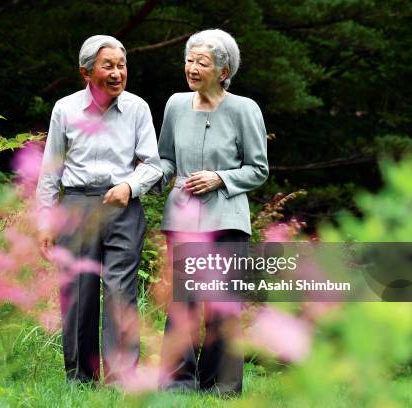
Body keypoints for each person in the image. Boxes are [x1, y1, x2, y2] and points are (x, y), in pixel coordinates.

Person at [35, 35, 162, 384]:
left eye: (122, 66)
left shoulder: (137, 108)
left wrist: (130, 186)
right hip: (76, 204)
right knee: (78, 292)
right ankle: (80, 377)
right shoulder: (65, 109)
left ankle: (122, 379)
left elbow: (153, 164)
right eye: (109, 66)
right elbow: (51, 171)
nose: (118, 73)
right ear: (86, 72)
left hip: (123, 205)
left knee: (122, 291)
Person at [157, 29, 269, 394]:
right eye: (189, 60)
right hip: (183, 217)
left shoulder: (244, 109)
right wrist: (140, 182)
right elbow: (166, 160)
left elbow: (258, 168)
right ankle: (178, 384)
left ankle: (220, 387)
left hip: (227, 219)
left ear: (223, 71)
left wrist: (220, 177)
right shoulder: (175, 104)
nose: (192, 68)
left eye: (201, 62)